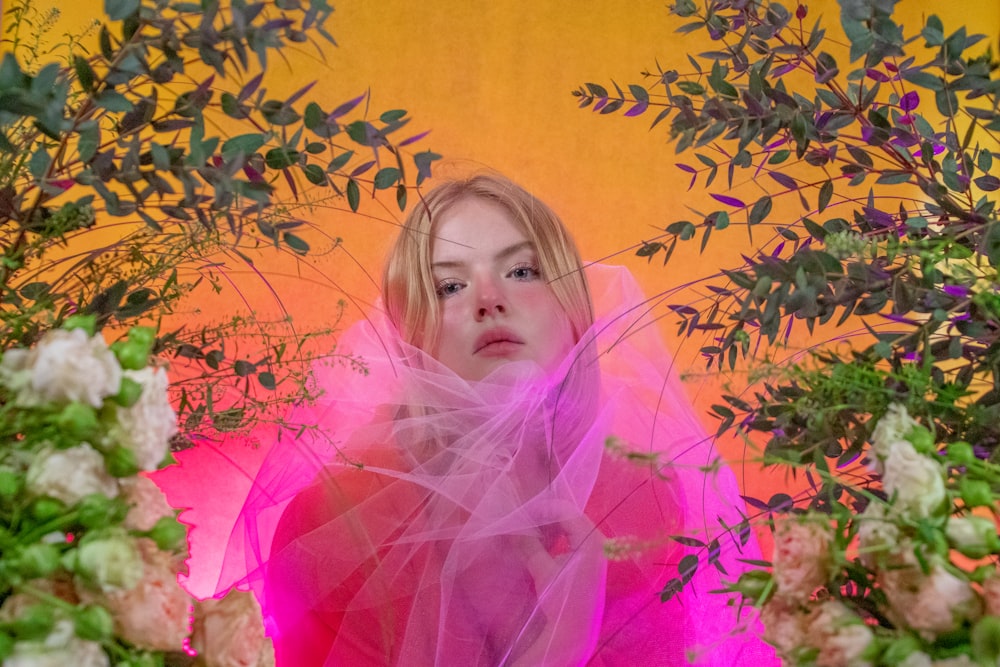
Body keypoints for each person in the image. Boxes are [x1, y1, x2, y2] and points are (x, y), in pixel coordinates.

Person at [216, 174, 776, 665]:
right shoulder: (332, 522)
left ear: (574, 312)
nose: (489, 300)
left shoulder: (648, 501)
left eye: (523, 271)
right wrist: (556, 648)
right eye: (449, 286)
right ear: (409, 335)